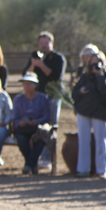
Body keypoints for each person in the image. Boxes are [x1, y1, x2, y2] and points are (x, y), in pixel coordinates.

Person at [21, 30, 66, 171]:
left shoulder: (58, 58)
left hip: (52, 97)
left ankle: (47, 158)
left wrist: (41, 65)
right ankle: (33, 158)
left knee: (50, 126)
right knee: (36, 127)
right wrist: (34, 64)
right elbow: (26, 75)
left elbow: (56, 78)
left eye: (46, 43)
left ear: (51, 43)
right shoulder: (35, 57)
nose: (43, 46)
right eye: (41, 43)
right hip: (37, 98)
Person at [71, 45, 106, 179]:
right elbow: (74, 93)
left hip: (100, 112)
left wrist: (100, 75)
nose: (95, 65)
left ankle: (102, 170)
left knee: (101, 141)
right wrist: (80, 91)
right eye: (93, 62)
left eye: (98, 62)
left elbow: (105, 90)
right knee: (83, 141)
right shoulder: (84, 75)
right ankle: (83, 169)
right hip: (84, 111)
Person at [13, 72, 52, 175]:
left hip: (38, 129)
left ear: (35, 85)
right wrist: (19, 122)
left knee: (42, 138)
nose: (27, 86)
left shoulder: (43, 98)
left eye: (30, 83)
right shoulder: (18, 99)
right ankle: (32, 164)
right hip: (23, 129)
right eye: (25, 83)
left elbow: (47, 116)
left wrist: (38, 121)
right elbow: (15, 117)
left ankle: (29, 165)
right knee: (21, 139)